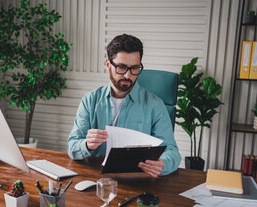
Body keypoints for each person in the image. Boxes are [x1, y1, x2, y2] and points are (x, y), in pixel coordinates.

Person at [67, 34, 181, 177]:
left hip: (138, 180)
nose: (128, 76)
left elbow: (172, 152)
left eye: (134, 68)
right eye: (121, 67)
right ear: (108, 64)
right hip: (97, 179)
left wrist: (162, 163)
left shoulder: (155, 105)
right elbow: (72, 147)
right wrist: (87, 145)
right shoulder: (90, 100)